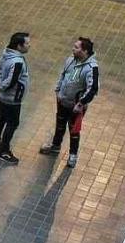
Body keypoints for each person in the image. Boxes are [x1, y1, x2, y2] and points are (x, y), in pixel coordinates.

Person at [39, 37, 100, 168]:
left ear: (85, 51)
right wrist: (58, 91)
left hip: (76, 106)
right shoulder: (70, 60)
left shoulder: (92, 68)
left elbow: (93, 89)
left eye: (76, 47)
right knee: (60, 125)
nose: (73, 49)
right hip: (63, 101)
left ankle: (73, 155)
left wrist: (81, 103)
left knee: (74, 130)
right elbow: (63, 75)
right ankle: (55, 146)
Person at [0, 32, 31, 165]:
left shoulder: (6, 53)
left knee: (1, 118)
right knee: (13, 123)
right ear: (19, 46)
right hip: (12, 98)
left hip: (4, 97)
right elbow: (12, 81)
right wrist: (1, 86)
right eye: (27, 43)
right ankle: (4, 151)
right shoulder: (17, 62)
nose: (29, 46)